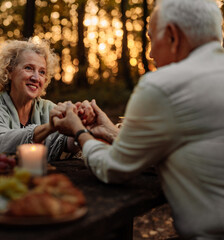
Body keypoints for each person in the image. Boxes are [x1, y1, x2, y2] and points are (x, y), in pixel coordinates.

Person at [52, 0, 224, 239]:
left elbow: (114, 169)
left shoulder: (164, 86)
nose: (151, 53)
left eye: (152, 39)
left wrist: (80, 132)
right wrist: (112, 132)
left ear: (173, 35)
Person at [0, 38, 94, 171]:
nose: (36, 77)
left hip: (35, 184)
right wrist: (49, 127)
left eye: (42, 72)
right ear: (9, 71)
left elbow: (61, 143)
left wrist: (80, 125)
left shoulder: (49, 108)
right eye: (28, 68)